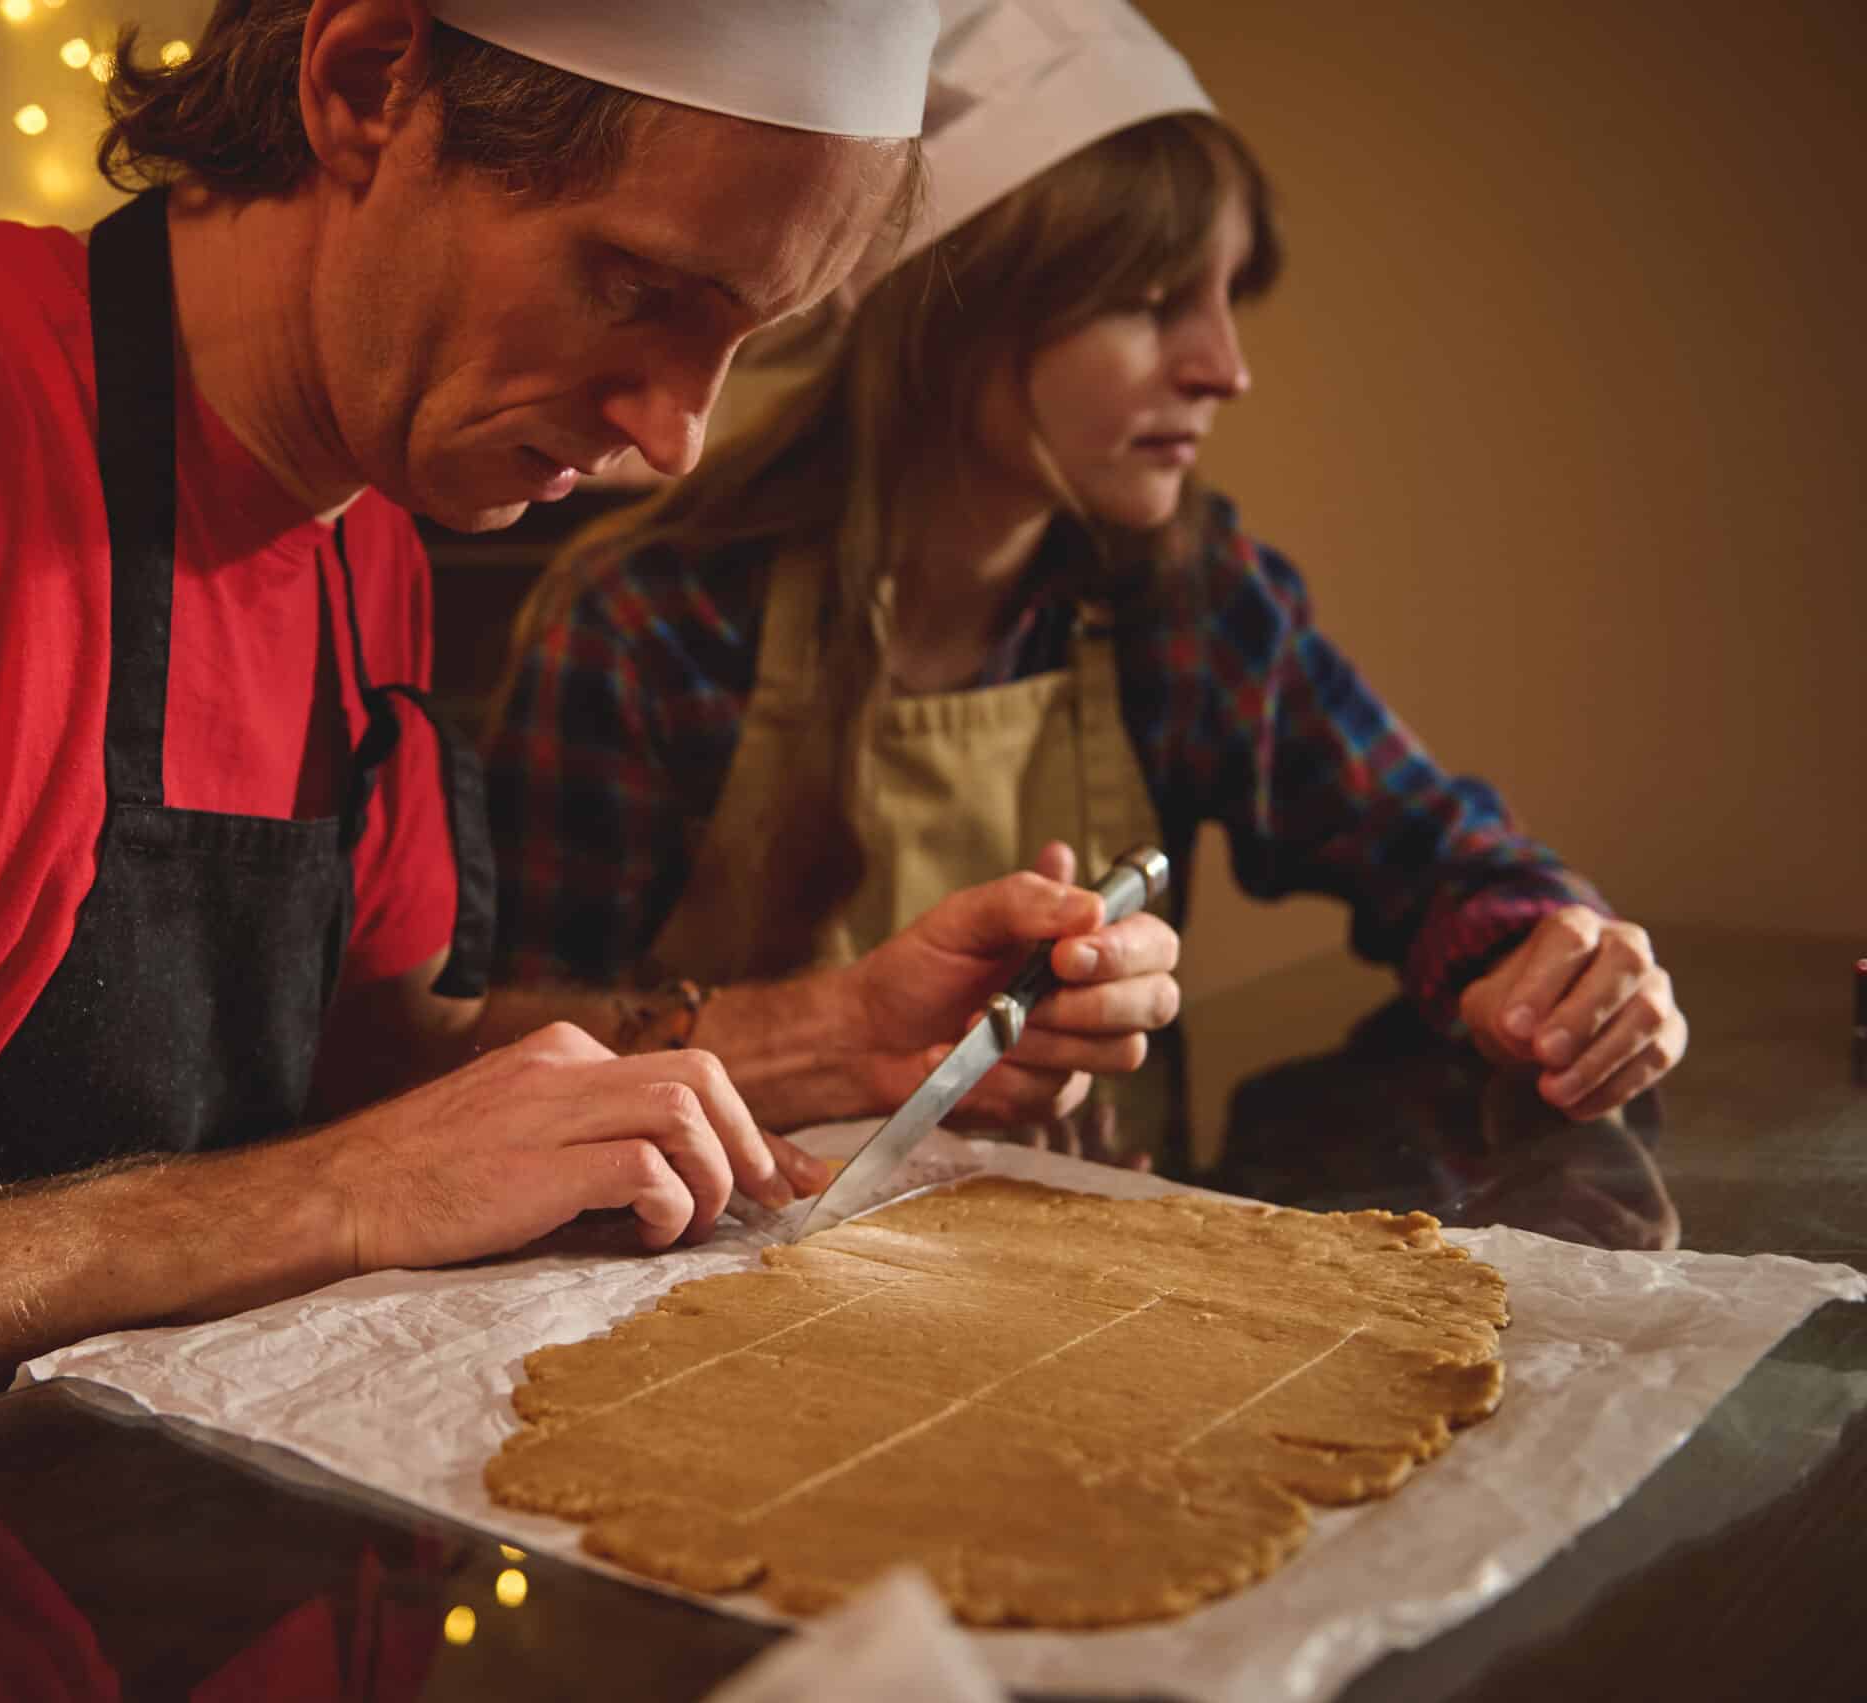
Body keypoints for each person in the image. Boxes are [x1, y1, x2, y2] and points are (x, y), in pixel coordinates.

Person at [0, 0, 1184, 1527]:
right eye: (634, 287)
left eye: (743, 341)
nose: (674, 438)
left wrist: (834, 1035)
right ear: (370, 83)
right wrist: (322, 1197)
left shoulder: (364, 540)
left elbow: (392, 1081)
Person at [486, 0, 1687, 1153]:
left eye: (1227, 298)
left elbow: (1429, 851)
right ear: (954, 316)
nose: (1224, 368)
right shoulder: (652, 626)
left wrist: (1549, 954)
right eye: (1152, 302)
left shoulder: (1189, 600)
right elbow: (503, 1053)